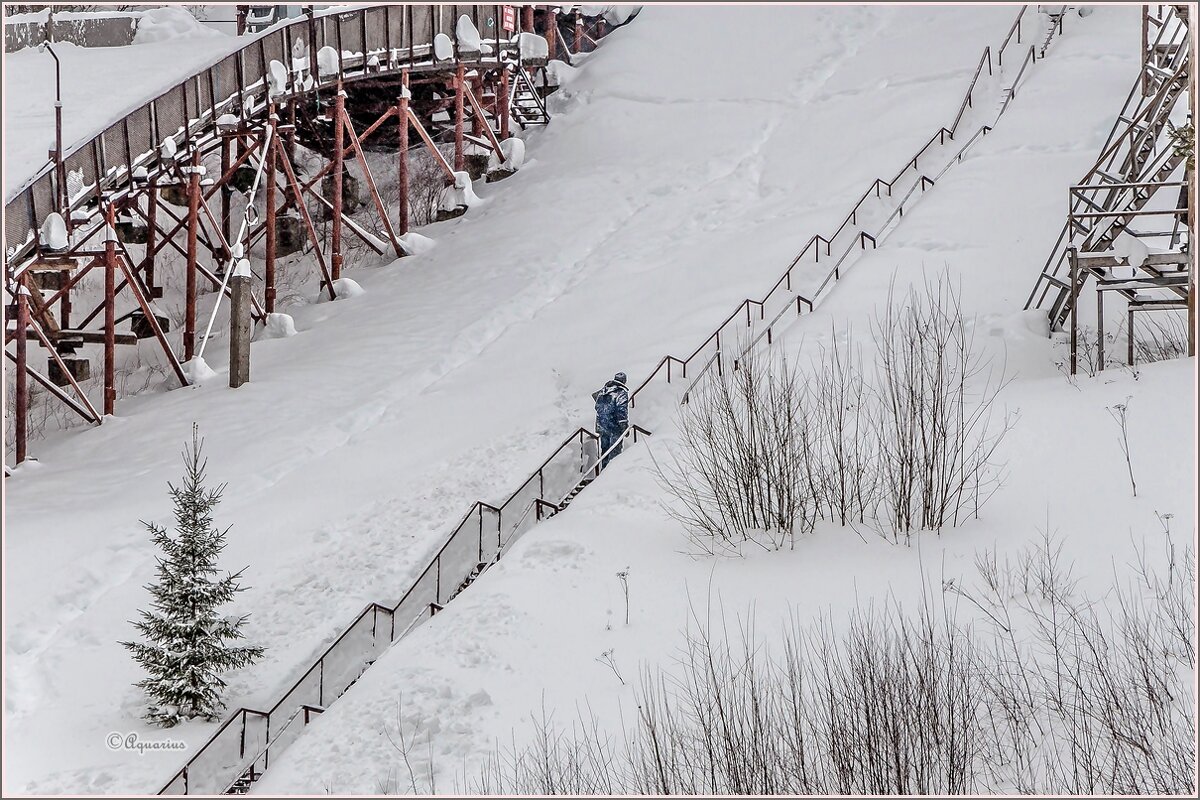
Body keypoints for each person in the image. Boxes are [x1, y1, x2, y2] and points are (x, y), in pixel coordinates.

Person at [592, 372, 629, 468]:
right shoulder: (621, 392)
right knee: (614, 455)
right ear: (624, 381)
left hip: (601, 426)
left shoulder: (603, 391)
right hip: (614, 427)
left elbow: (597, 406)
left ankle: (603, 473)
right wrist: (624, 426)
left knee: (605, 452)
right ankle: (612, 477)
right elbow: (621, 410)